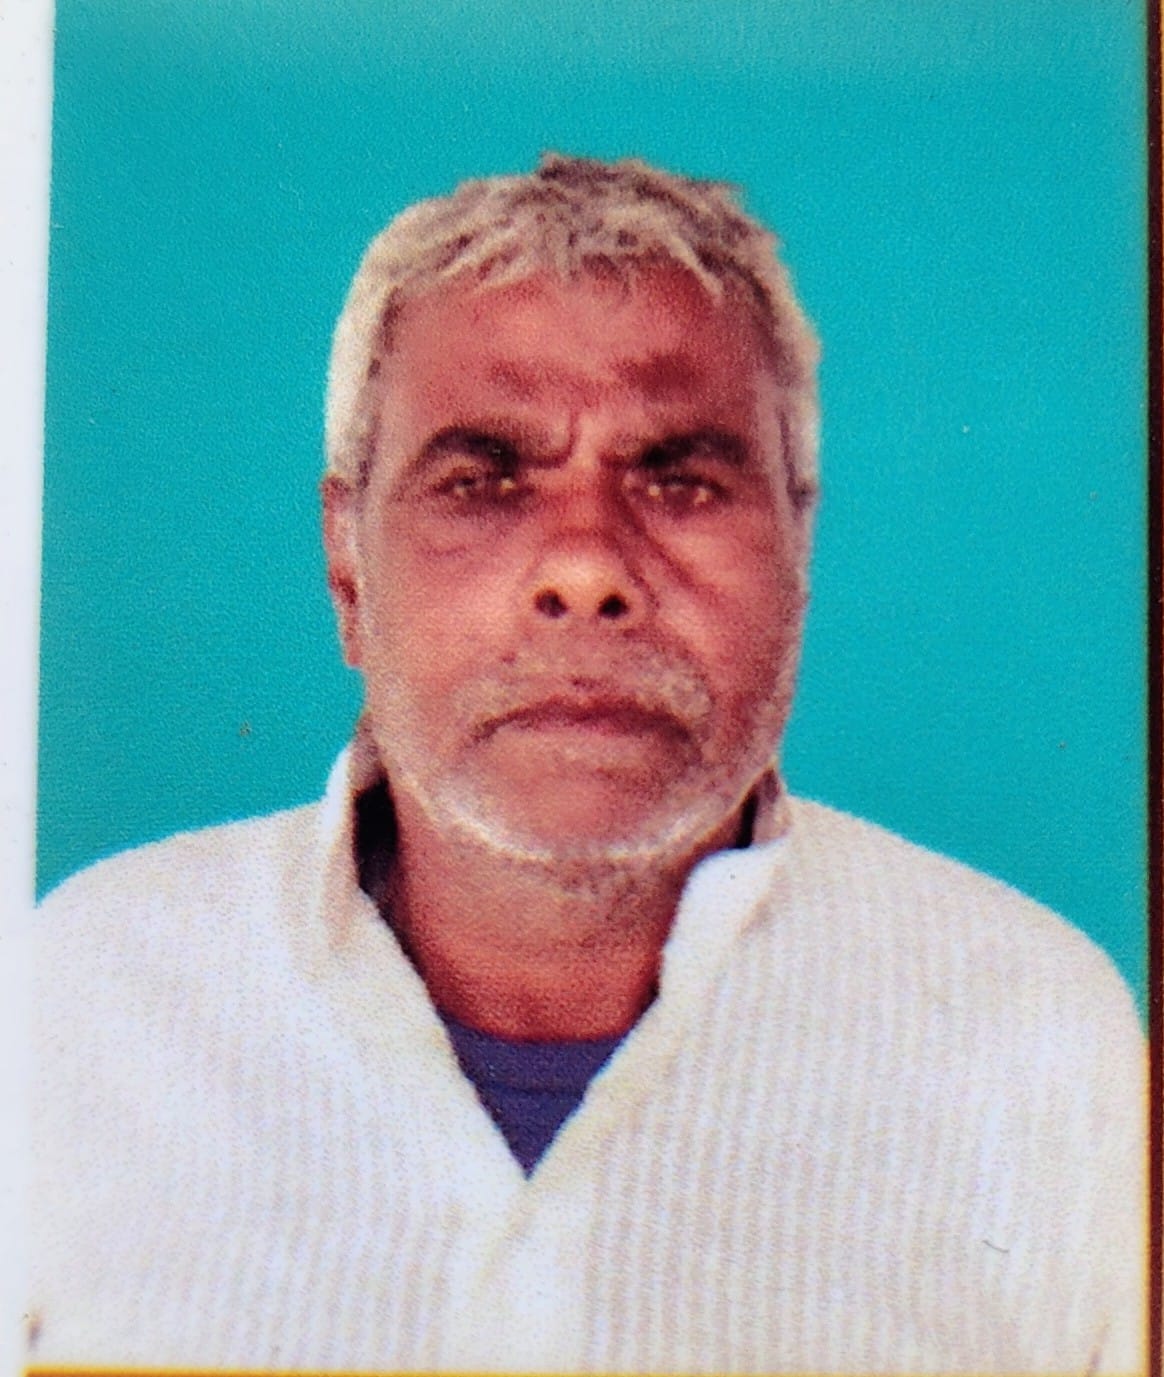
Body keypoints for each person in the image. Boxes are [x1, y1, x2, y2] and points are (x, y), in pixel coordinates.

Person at [29, 154, 1145, 1374]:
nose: (585, 567)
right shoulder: (74, 1005)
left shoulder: (1038, 1043)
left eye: (681, 481)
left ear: (801, 542)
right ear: (347, 568)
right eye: (482, 480)